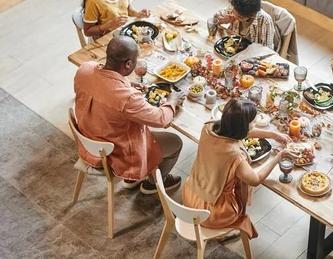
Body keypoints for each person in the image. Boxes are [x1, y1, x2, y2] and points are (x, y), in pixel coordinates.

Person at [73, 36, 187, 194]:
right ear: (128, 64)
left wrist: (126, 85)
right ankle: (152, 184)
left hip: (89, 142)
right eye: (135, 60)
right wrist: (172, 100)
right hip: (117, 156)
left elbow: (103, 88)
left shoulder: (84, 69)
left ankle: (132, 180)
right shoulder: (127, 98)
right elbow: (162, 119)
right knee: (175, 142)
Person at [183, 99, 296, 239]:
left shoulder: (208, 128)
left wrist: (273, 135)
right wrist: (279, 156)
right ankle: (225, 231)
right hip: (211, 213)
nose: (254, 125)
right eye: (253, 123)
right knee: (241, 206)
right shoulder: (235, 155)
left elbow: (240, 132)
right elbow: (255, 180)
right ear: (243, 126)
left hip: (190, 194)